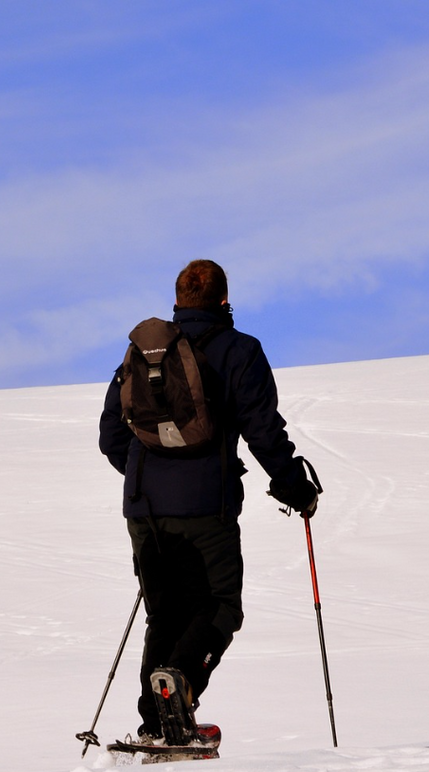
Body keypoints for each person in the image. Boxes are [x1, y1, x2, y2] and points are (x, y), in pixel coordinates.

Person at [99, 259, 319, 741]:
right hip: (205, 506)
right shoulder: (240, 351)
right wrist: (295, 487)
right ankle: (179, 686)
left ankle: (156, 723)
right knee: (220, 606)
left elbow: (111, 435)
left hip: (143, 508)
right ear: (224, 300)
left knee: (165, 612)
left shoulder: (143, 353)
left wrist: (145, 479)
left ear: (178, 301)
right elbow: (263, 431)